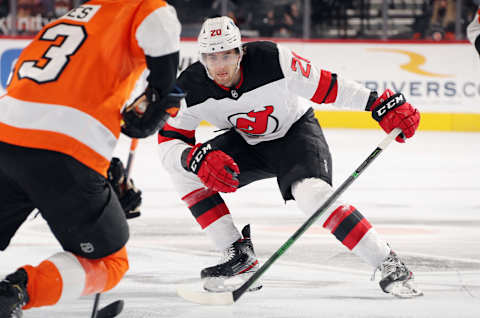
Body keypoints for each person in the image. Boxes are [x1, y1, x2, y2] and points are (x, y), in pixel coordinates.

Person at [157, 16, 423, 298]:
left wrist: (376, 103)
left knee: (312, 195)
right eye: (211, 57)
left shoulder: (272, 59)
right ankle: (238, 255)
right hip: (247, 143)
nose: (219, 65)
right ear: (202, 58)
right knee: (184, 173)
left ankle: (388, 262)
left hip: (295, 135)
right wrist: (191, 158)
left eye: (226, 55)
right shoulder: (188, 87)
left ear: (240, 52)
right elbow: (168, 140)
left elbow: (327, 86)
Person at [0, 0, 181, 316]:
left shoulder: (75, 16)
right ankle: (14, 293)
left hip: (4, 133)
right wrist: (161, 98)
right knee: (109, 261)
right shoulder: (145, 7)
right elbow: (162, 49)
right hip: (65, 152)